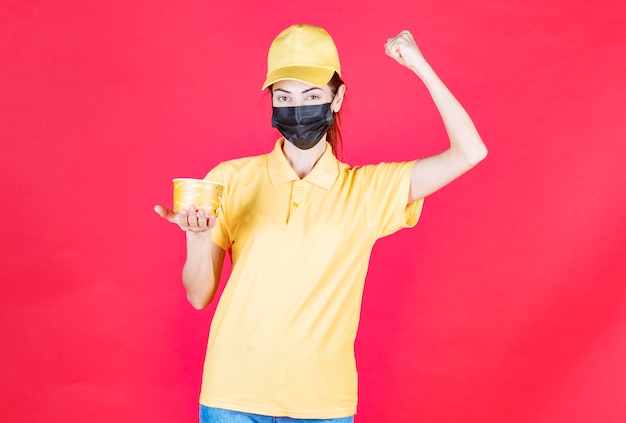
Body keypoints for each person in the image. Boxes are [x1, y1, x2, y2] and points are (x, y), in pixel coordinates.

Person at [154, 23, 487, 423]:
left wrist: (419, 65)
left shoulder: (368, 190)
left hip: (322, 404)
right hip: (232, 396)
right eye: (284, 96)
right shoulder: (229, 178)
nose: (298, 107)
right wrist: (198, 238)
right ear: (272, 101)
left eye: (312, 95)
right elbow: (197, 296)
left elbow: (471, 152)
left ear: (337, 97)